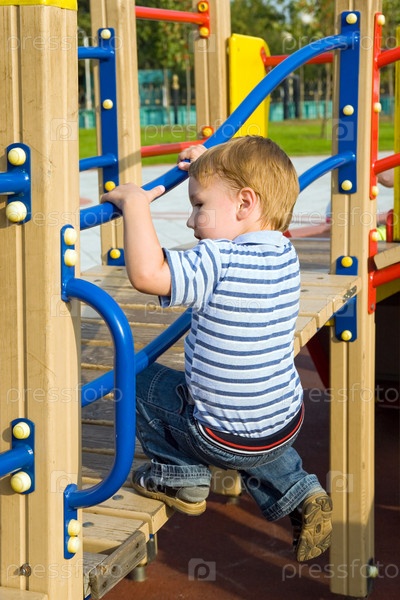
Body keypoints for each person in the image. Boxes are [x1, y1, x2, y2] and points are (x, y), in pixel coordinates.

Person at [101, 136, 332, 562]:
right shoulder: (286, 252)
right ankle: (300, 490)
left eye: (199, 205)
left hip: (216, 438)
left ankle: (180, 474)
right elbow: (236, 204)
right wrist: (210, 164)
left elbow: (149, 274)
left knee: (135, 375)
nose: (191, 221)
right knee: (253, 426)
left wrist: (135, 205)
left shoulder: (217, 260)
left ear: (245, 203)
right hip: (286, 422)